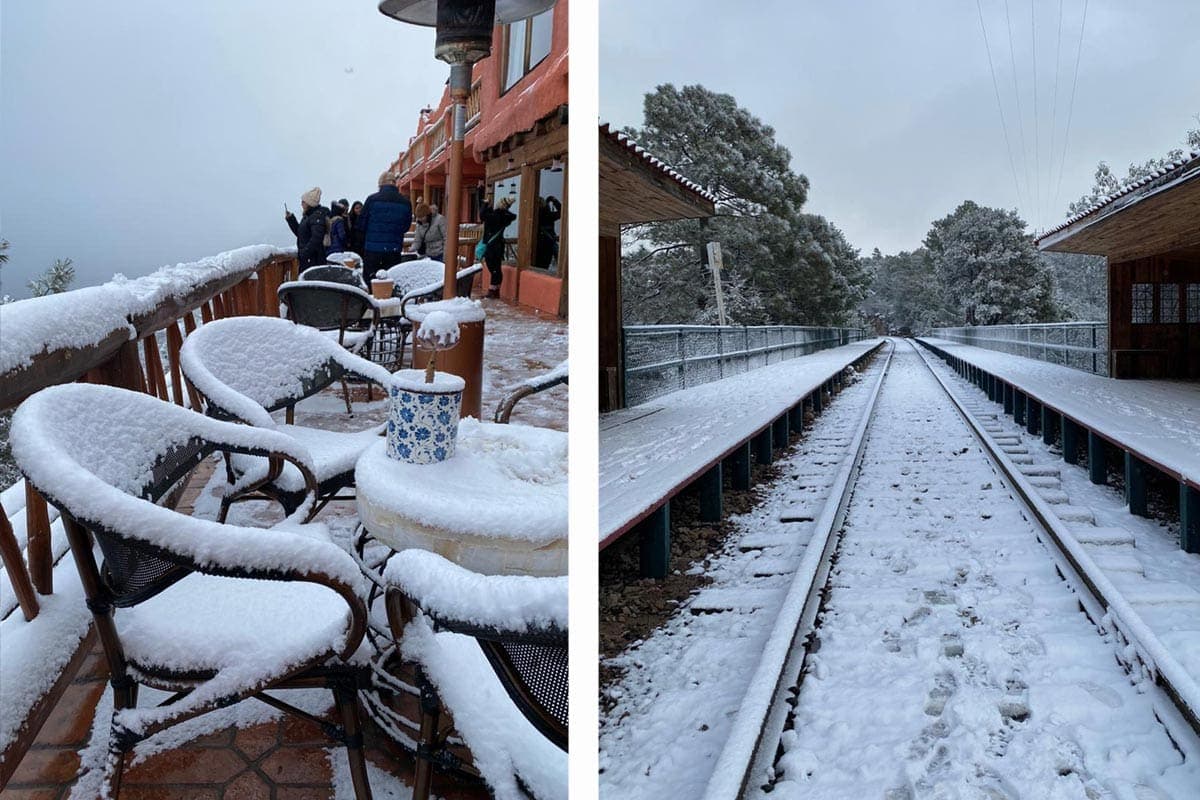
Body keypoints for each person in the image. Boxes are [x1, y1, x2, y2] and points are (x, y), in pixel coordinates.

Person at [360, 172, 413, 283]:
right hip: (393, 250)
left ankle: (371, 298)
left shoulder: (372, 200)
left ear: (380, 184)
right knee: (390, 282)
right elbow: (405, 227)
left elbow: (361, 224)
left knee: (371, 282)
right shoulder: (405, 202)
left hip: (372, 250)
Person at [479, 195, 516, 298]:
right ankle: (495, 290)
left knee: (493, 268)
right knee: (496, 268)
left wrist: (486, 204)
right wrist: (505, 208)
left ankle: (492, 290)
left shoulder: (493, 215)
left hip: (491, 246)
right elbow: (513, 216)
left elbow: (482, 215)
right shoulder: (505, 216)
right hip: (498, 245)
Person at [284, 187, 329, 270]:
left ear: (309, 203)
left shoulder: (316, 217)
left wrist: (304, 253)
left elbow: (317, 238)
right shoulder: (309, 216)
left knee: (311, 282)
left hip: (313, 260)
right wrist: (291, 219)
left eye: (303, 202)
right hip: (309, 259)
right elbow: (301, 234)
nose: (301, 204)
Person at [534, 195, 562, 270]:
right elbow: (562, 211)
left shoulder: (534, 214)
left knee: (536, 268)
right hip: (547, 245)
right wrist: (554, 200)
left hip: (536, 246)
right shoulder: (548, 214)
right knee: (544, 268)